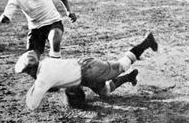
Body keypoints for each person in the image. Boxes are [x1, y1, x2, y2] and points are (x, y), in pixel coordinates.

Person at [14, 32, 158, 110]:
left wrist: (32, 92)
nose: (28, 74)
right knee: (105, 92)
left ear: (32, 68)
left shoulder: (43, 76)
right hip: (83, 76)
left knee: (121, 65)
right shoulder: (45, 64)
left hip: (88, 69)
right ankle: (128, 78)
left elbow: (33, 105)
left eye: (27, 71)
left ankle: (146, 42)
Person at [0, 0, 77, 59]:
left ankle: (55, 63)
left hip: (53, 22)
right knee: (31, 60)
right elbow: (6, 15)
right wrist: (3, 19)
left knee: (54, 39)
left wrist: (68, 11)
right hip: (35, 29)